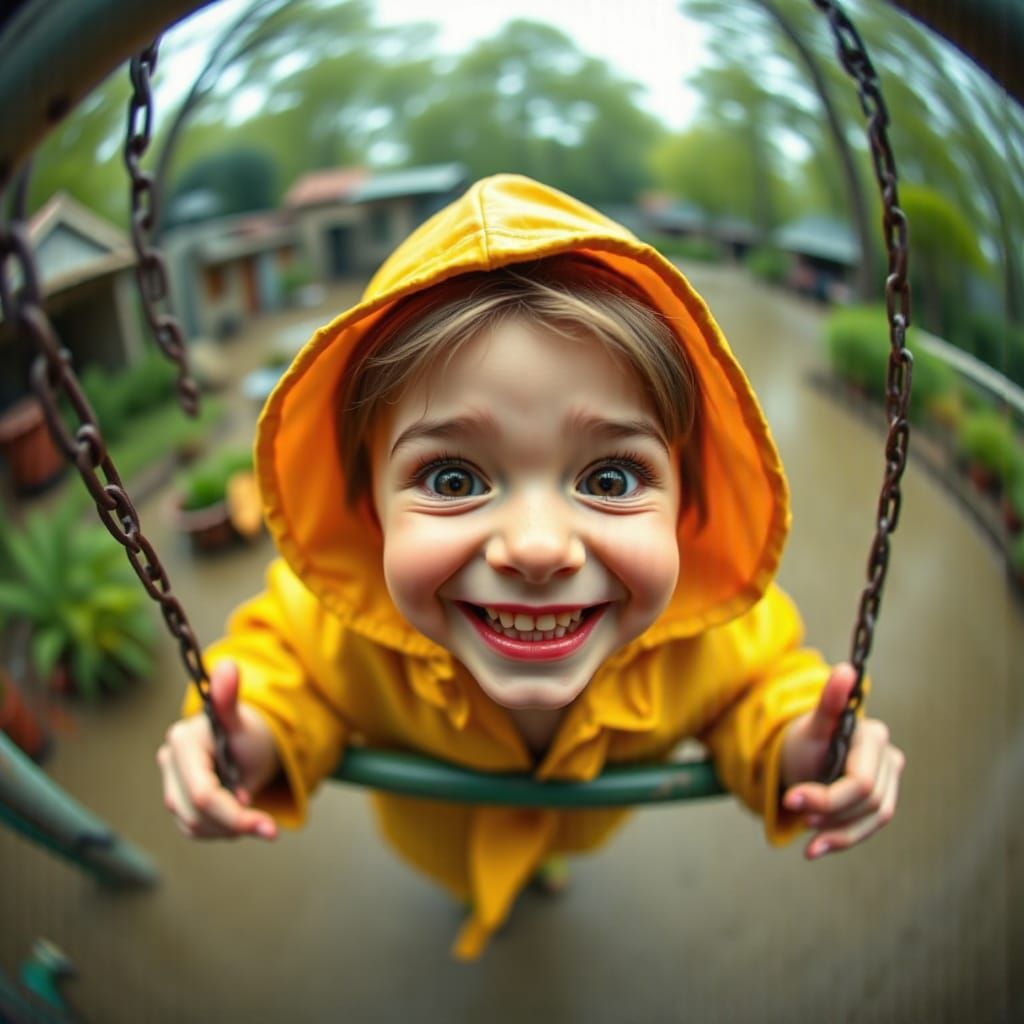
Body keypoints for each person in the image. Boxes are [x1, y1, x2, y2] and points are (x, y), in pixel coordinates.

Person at [157, 174, 904, 959]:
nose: (540, 548)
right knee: (461, 880)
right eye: (453, 480)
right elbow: (280, 672)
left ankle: (539, 866)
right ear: (368, 508)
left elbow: (762, 692)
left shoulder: (715, 628)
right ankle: (483, 890)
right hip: (434, 842)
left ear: (686, 502)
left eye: (610, 480)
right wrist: (244, 735)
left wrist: (806, 746)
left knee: (544, 859)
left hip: (578, 833)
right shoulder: (334, 613)